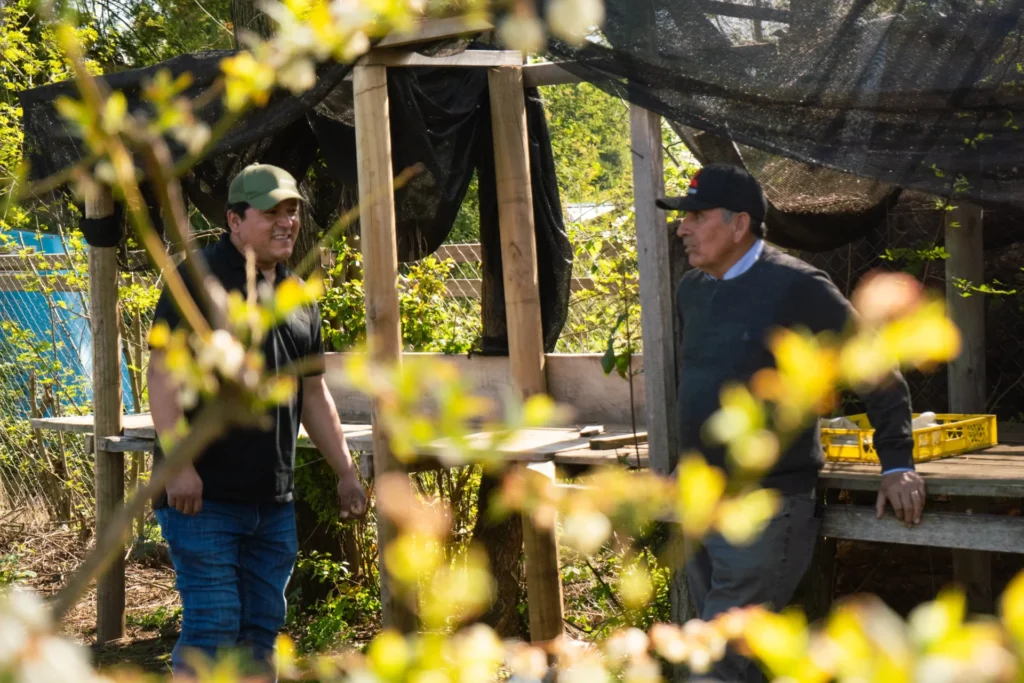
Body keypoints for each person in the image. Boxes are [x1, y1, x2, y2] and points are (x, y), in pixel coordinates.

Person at [657, 163, 926, 682]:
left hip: (767, 508)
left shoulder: (797, 286)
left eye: (695, 215)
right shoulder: (693, 289)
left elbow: (876, 369)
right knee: (735, 660)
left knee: (719, 663)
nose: (682, 227)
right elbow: (703, 387)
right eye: (681, 217)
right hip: (702, 501)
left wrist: (897, 462)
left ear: (740, 224)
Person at [147, 163, 368, 680]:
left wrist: (345, 472)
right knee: (214, 626)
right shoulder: (198, 281)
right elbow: (161, 376)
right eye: (271, 213)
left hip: (272, 501)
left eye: (291, 211)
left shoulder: (298, 299)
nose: (285, 222)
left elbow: (313, 393)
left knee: (262, 632)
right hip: (202, 496)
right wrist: (179, 463)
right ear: (234, 220)